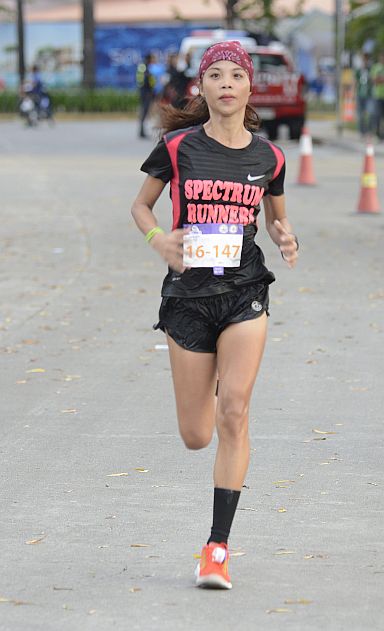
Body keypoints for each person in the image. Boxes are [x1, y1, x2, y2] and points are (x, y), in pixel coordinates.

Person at [131, 41, 298, 590]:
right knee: (197, 434)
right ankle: (222, 399)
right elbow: (141, 205)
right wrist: (160, 240)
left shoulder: (269, 158)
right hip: (187, 299)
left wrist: (285, 237)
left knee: (234, 411)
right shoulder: (177, 147)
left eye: (236, 75)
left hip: (245, 290)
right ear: (200, 89)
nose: (226, 82)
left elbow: (276, 218)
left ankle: (217, 549)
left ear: (250, 89)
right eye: (215, 75)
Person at [136, 52, 156, 138]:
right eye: (152, 58)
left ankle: (142, 130)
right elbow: (146, 80)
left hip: (143, 91)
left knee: (144, 111)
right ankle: (141, 131)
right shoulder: (145, 67)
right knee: (144, 111)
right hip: (146, 92)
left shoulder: (143, 66)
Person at [355, 53, 374, 137]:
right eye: (363, 59)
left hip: (369, 94)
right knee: (360, 114)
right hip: (360, 94)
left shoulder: (371, 69)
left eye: (366, 59)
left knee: (370, 113)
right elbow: (355, 81)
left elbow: (373, 80)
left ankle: (369, 131)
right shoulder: (359, 69)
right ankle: (362, 131)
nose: (365, 61)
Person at [370, 51, 384, 140]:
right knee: (377, 116)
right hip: (378, 95)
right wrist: (380, 79)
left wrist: (380, 79)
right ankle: (378, 135)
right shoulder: (376, 67)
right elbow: (374, 80)